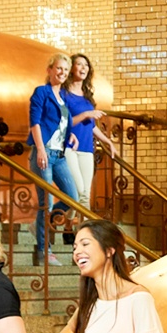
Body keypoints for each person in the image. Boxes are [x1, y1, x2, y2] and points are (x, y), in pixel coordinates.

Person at [29, 53, 80, 266]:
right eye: (59, 68)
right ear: (50, 70)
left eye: (66, 70)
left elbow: (59, 123)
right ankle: (44, 250)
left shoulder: (64, 98)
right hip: (44, 153)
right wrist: (40, 149)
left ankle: (40, 223)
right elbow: (35, 122)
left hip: (58, 155)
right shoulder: (41, 92)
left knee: (72, 197)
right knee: (46, 203)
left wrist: (70, 135)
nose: (62, 73)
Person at [63, 53, 109, 222]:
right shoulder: (64, 94)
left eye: (86, 65)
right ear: (71, 68)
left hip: (87, 149)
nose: (83, 68)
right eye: (79, 64)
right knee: (80, 192)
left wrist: (107, 141)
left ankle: (69, 225)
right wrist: (86, 114)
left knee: (85, 194)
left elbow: (91, 126)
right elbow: (64, 122)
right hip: (69, 147)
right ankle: (81, 230)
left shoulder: (87, 95)